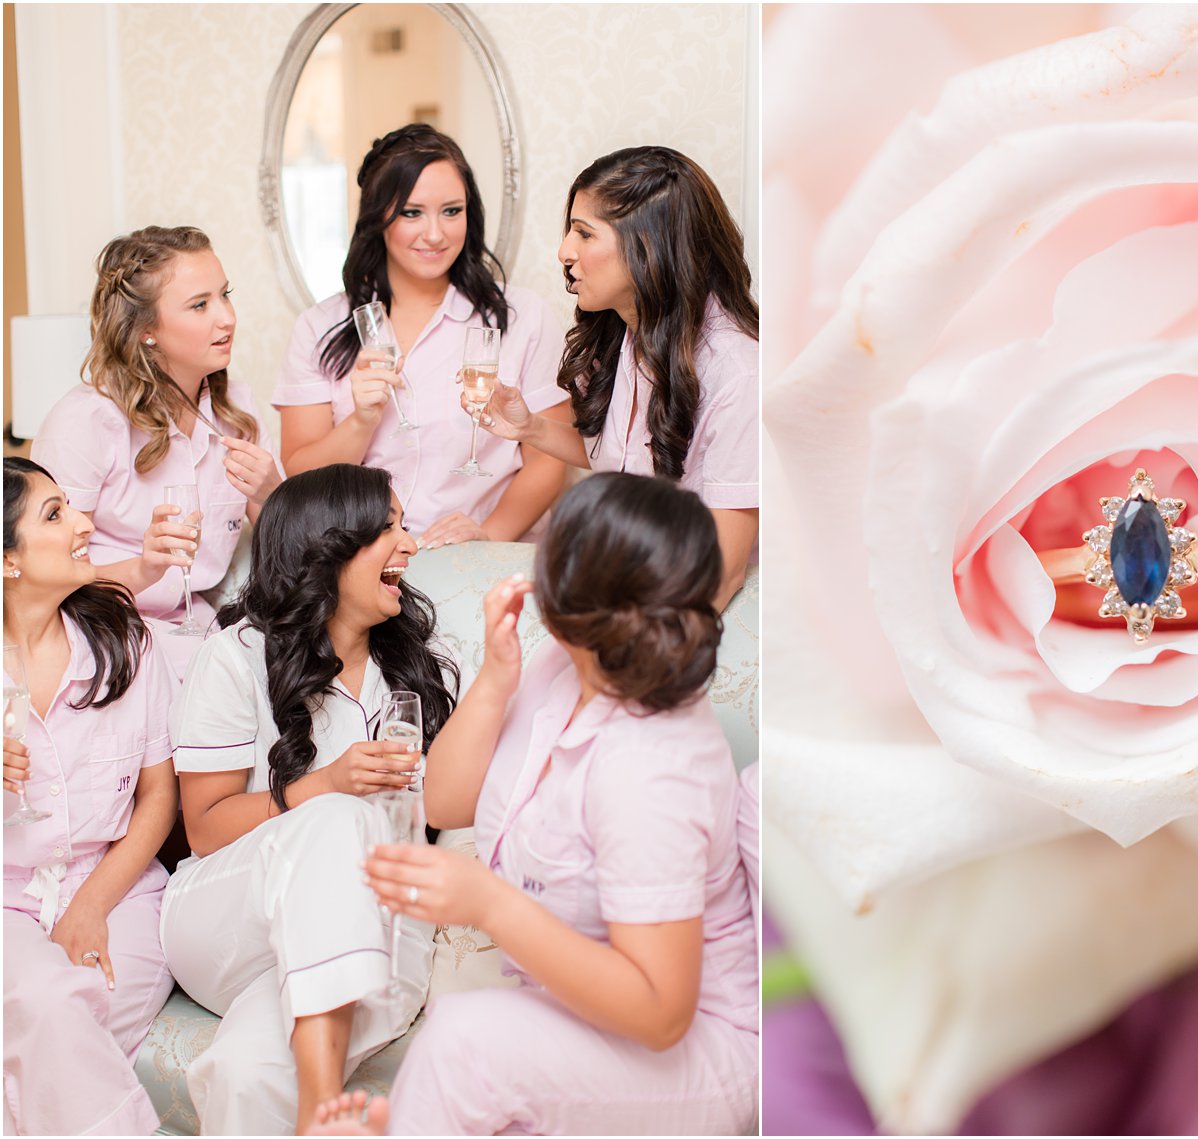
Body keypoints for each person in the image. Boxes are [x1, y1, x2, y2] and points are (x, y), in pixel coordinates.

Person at [310, 471, 757, 1136]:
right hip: (578, 1019)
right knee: (462, 1072)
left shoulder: (652, 767)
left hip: (697, 1055)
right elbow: (443, 800)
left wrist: (490, 903)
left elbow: (663, 1011)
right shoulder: (563, 666)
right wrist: (494, 676)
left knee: (465, 1040)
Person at [159, 464, 458, 1134]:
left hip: (365, 931)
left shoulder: (412, 666)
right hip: (226, 920)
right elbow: (204, 828)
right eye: (389, 528)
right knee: (336, 816)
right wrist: (326, 783)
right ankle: (324, 1113)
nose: (409, 546)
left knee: (246, 1073)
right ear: (329, 547)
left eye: (405, 527)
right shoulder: (237, 656)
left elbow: (442, 812)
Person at [476, 146, 759, 607]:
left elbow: (722, 576)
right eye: (570, 230)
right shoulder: (626, 333)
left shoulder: (737, 373)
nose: (564, 252)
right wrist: (529, 428)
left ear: (650, 243)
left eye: (585, 234)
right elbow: (619, 456)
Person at [275, 123, 570, 548]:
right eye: (412, 213)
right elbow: (300, 479)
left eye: (452, 211)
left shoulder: (523, 318)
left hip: (482, 562)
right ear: (378, 218)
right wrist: (361, 420)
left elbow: (547, 462)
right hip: (360, 569)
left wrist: (488, 535)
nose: (435, 234)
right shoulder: (319, 327)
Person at [2, 457, 178, 1135]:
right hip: (7, 903)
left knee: (50, 1020)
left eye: (72, 504)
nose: (85, 523)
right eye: (54, 515)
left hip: (118, 892)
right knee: (46, 1005)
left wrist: (90, 904)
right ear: (8, 560)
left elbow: (159, 798)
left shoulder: (126, 640)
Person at [30, 226, 283, 654]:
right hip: (98, 623)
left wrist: (273, 490)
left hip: (195, 622)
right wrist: (143, 569)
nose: (227, 317)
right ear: (146, 329)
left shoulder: (236, 408)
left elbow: (289, 543)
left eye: (226, 294)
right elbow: (47, 569)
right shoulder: (86, 421)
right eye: (200, 305)